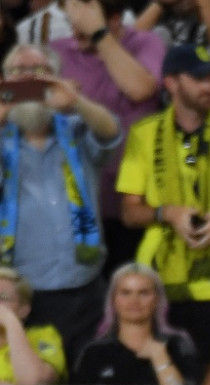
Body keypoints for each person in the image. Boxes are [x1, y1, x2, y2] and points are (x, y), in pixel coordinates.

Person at [117, 43, 210, 367]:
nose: (207, 86)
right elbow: (129, 212)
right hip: (158, 281)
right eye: (197, 79)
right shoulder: (143, 133)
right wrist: (167, 213)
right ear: (171, 83)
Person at [0, 43, 121, 366]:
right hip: (23, 294)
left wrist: (76, 101)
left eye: (39, 72)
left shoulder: (77, 129)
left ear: (56, 80)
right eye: (18, 74)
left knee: (86, 384)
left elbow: (110, 134)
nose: (29, 82)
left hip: (85, 288)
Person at [53, 0, 166, 277]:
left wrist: (100, 35)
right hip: (79, 204)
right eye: (72, 24)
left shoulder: (146, 43)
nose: (76, 32)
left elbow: (141, 89)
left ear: (115, 19)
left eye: (84, 24)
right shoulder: (57, 51)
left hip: (133, 201)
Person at [72, 263, 200, 385]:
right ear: (113, 300)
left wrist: (160, 358)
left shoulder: (177, 345)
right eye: (126, 293)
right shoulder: (94, 352)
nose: (134, 301)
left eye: (144, 293)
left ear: (157, 299)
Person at [0, 266, 64, 385]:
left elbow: (34, 383)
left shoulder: (43, 335)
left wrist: (10, 320)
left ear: (24, 309)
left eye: (2, 297)